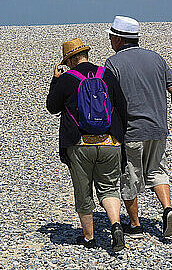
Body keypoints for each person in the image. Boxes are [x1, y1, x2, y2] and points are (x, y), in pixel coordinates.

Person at [104, 16, 172, 239]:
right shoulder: (157, 59)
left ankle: (135, 225)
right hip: (158, 129)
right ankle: (168, 209)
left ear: (119, 39)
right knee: (158, 171)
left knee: (130, 177)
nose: (110, 40)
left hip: (132, 130)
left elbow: (108, 98)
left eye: (111, 36)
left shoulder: (113, 63)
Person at [46, 38, 128, 252]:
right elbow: (122, 106)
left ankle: (89, 238)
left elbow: (52, 107)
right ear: (86, 55)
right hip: (109, 142)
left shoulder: (67, 79)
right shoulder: (105, 74)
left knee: (83, 192)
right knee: (109, 188)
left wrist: (56, 80)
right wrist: (120, 136)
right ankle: (116, 225)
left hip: (79, 144)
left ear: (70, 60)